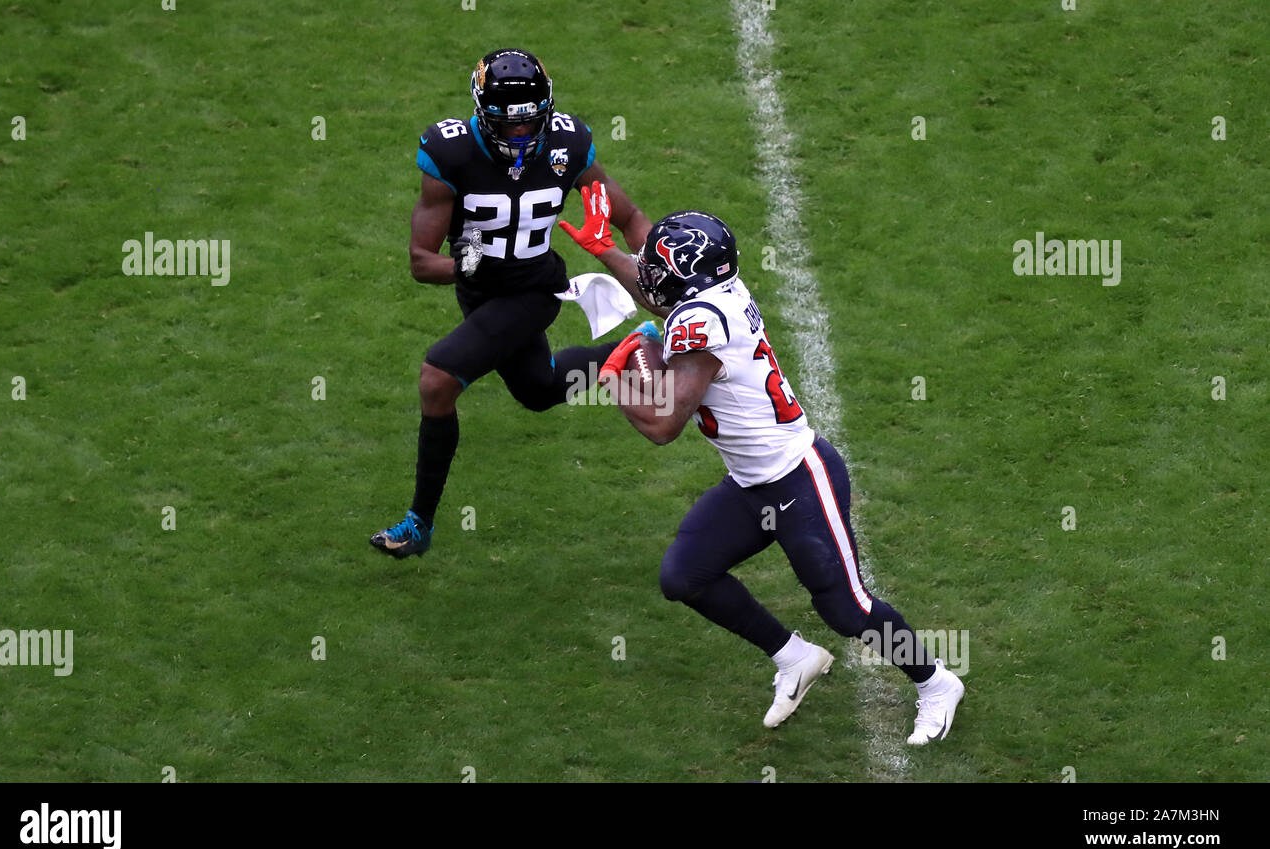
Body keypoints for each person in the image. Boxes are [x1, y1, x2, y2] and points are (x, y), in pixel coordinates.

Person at [562, 200, 964, 742]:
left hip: (799, 477)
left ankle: (936, 683)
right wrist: (604, 250)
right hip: (753, 484)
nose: (650, 280)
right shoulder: (711, 295)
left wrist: (614, 378)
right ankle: (794, 657)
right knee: (684, 576)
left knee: (847, 610)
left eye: (657, 270)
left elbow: (662, 424)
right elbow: (661, 299)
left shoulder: (701, 324)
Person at [371, 48, 653, 559]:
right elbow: (420, 261)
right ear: (482, 114)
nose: (522, 136)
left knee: (438, 379)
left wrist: (663, 273)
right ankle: (635, 348)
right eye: (509, 125)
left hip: (534, 290)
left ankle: (419, 524)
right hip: (479, 290)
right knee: (540, 389)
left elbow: (629, 216)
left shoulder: (569, 143)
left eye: (531, 124)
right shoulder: (449, 153)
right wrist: (469, 265)